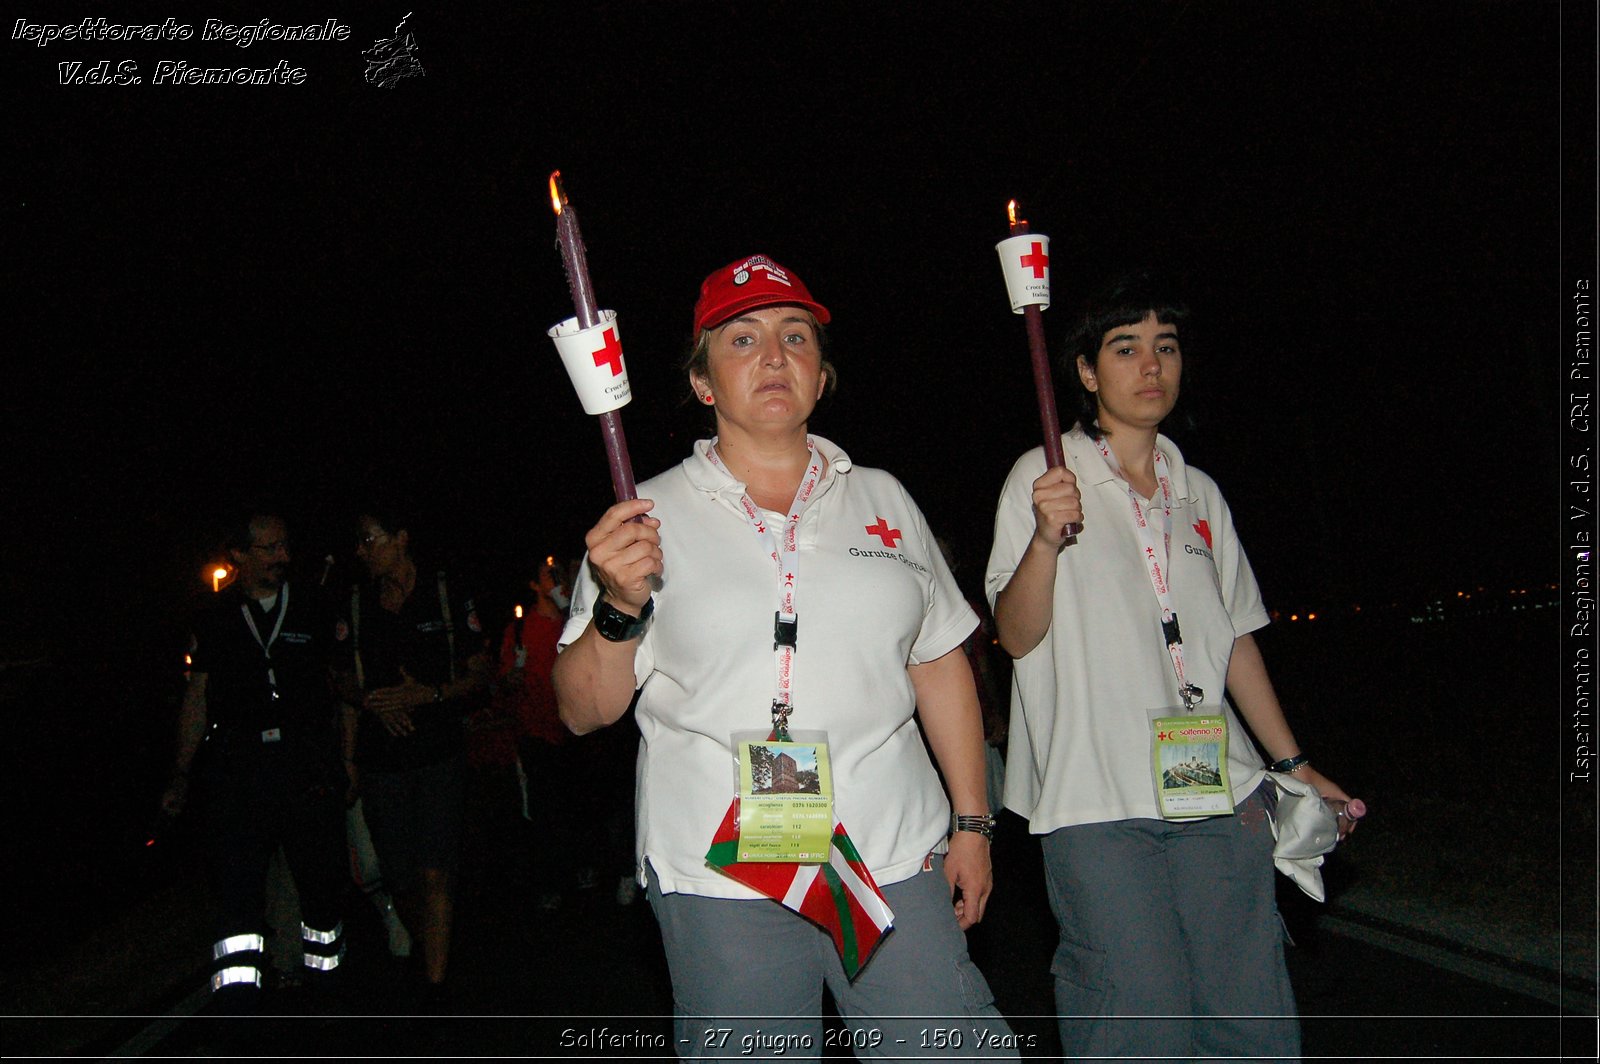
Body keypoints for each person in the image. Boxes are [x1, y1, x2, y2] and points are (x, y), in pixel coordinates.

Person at [554, 254, 1015, 1058]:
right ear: (702, 384)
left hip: (891, 851)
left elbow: (940, 661)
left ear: (822, 375)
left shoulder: (884, 498)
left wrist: (971, 824)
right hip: (724, 869)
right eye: (742, 339)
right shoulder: (641, 519)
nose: (774, 355)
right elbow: (581, 710)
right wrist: (621, 609)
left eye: (795, 336)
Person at [985, 272, 1357, 1060]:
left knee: (1248, 1003)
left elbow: (1235, 641)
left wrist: (1292, 762)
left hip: (1216, 784)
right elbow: (1015, 636)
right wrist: (1047, 538)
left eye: (1166, 347)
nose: (1150, 365)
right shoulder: (1043, 478)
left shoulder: (1200, 495)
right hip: (1095, 796)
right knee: (1135, 1008)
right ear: (1086, 372)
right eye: (1125, 348)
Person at [161, 510, 347, 1004]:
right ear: (239, 556)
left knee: (319, 884)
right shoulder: (213, 618)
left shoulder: (312, 605)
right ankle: (240, 1007)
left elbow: (343, 684)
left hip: (305, 769)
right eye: (269, 549)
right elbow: (197, 700)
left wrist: (345, 759)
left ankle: (326, 989)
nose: (282, 557)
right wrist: (181, 773)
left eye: (285, 546)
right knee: (239, 895)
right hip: (239, 775)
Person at [336, 508, 488, 1002]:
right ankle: (429, 951)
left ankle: (437, 986)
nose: (361, 550)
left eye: (369, 539)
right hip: (382, 762)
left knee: (435, 869)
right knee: (399, 875)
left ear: (400, 539)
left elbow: (479, 671)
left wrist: (432, 695)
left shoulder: (443, 593)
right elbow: (337, 676)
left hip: (438, 754)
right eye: (358, 542)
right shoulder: (356, 604)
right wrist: (370, 702)